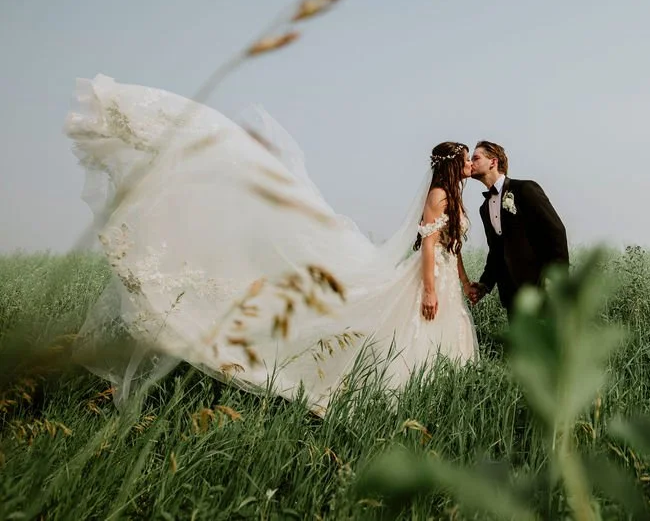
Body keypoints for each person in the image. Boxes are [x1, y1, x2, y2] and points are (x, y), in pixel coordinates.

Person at [64, 74, 478, 416]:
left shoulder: (452, 195)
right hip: (429, 278)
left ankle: (441, 385)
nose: (468, 167)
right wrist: (428, 287)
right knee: (414, 327)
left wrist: (458, 279)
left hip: (444, 279)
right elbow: (428, 246)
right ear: (451, 164)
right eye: (464, 161)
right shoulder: (439, 196)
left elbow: (451, 247)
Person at [467, 141, 569, 317]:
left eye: (476, 158)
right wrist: (485, 284)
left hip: (541, 288)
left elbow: (556, 232)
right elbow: (497, 251)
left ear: (493, 162)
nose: (470, 163)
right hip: (512, 294)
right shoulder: (484, 208)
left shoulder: (525, 189)